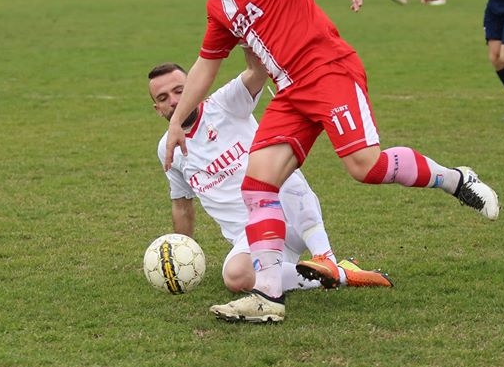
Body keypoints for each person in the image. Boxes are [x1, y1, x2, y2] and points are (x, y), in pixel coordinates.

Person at [161, 0, 499, 324]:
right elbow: (205, 65)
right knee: (258, 184)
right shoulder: (218, 3)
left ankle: (455, 179)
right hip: (289, 91)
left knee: (365, 167)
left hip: (327, 71)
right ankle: (268, 297)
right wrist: (177, 123)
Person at [148, 52, 393, 298]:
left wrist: (246, 37)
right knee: (235, 277)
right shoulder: (167, 149)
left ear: (193, 85)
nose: (173, 101)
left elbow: (257, 72)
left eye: (180, 90)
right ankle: (339, 275)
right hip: (253, 239)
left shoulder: (225, 103)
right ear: (157, 108)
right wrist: (182, 250)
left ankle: (324, 255)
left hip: (291, 217)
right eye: (163, 98)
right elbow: (182, 205)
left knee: (278, 171)